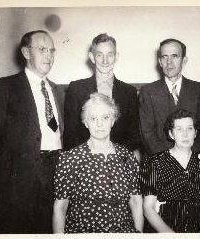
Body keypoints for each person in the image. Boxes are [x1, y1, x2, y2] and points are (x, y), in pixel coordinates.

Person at [0, 30, 63, 233]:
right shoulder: (3, 87)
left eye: (52, 50)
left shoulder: (57, 90)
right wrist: (6, 179)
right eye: (42, 49)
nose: (49, 55)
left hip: (54, 173)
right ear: (26, 52)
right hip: (16, 182)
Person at [53, 93, 143, 233]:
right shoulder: (71, 159)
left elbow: (136, 202)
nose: (100, 124)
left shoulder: (127, 157)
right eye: (93, 118)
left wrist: (139, 235)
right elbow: (60, 207)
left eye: (105, 118)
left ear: (113, 121)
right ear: (85, 122)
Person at [140, 109, 200, 233]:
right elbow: (148, 208)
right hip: (165, 230)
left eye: (189, 129)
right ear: (171, 134)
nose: (185, 134)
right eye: (179, 129)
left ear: (195, 133)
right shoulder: (154, 162)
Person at [63, 33, 141, 161]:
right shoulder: (76, 88)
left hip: (119, 161)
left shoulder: (129, 92)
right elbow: (71, 134)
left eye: (110, 55)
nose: (105, 61)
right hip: (85, 160)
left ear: (116, 57)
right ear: (92, 57)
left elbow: (133, 134)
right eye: (99, 55)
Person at [139, 38, 200, 156]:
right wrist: (169, 161)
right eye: (164, 57)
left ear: (184, 61)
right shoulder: (148, 92)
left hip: (192, 161)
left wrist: (191, 159)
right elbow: (147, 133)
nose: (169, 62)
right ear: (160, 62)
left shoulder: (199, 90)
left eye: (174, 56)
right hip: (160, 161)